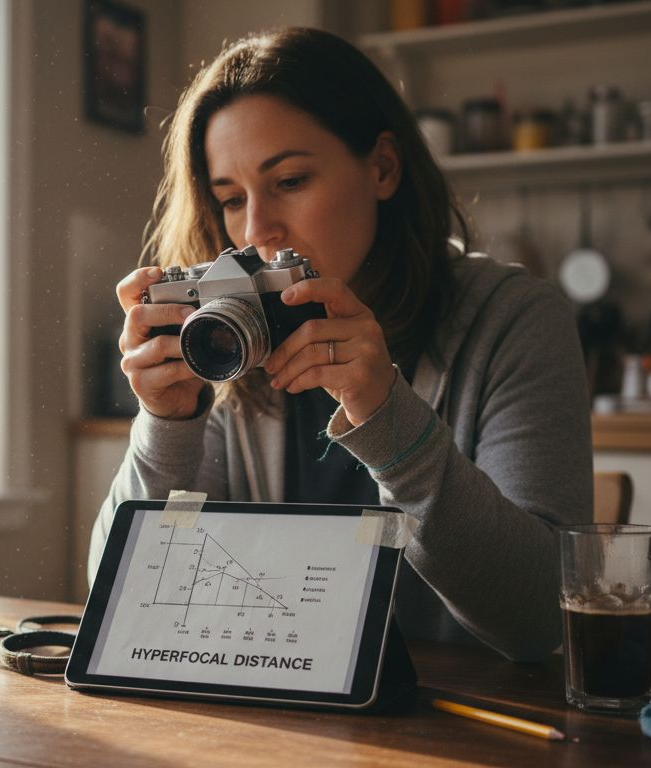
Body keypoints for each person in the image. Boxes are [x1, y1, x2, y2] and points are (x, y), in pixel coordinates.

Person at [88, 27, 591, 662]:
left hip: (461, 732)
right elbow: (120, 603)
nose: (256, 230)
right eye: (230, 199)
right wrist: (166, 424)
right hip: (276, 722)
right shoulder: (227, 338)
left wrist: (389, 422)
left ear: (382, 167)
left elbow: (541, 619)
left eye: (291, 181)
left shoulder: (515, 320)